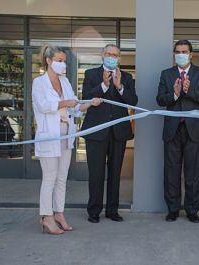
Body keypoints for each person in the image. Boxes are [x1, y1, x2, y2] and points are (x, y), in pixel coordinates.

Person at [32, 45, 102, 235]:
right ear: (48, 61)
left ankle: (59, 213)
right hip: (49, 136)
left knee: (62, 178)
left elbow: (74, 108)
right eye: (59, 61)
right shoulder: (39, 82)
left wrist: (89, 104)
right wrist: (66, 102)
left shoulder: (65, 83)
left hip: (66, 135)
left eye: (64, 61)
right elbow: (44, 106)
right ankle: (46, 217)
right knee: (50, 178)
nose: (63, 64)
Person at [81, 44, 138, 223]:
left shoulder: (127, 77)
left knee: (115, 173)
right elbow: (86, 96)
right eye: (108, 54)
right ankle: (94, 211)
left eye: (115, 55)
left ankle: (112, 210)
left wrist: (119, 86)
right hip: (96, 132)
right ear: (102, 55)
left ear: (119, 58)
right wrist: (104, 85)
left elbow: (133, 101)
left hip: (118, 133)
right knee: (96, 173)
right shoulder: (91, 74)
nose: (112, 57)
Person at [156, 40, 199, 223]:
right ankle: (172, 209)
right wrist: (175, 94)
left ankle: (192, 210)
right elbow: (160, 99)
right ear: (174, 54)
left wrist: (189, 90)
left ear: (191, 54)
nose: (181, 54)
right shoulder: (166, 74)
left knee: (193, 172)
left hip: (194, 130)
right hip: (173, 130)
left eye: (184, 51)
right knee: (171, 171)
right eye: (178, 51)